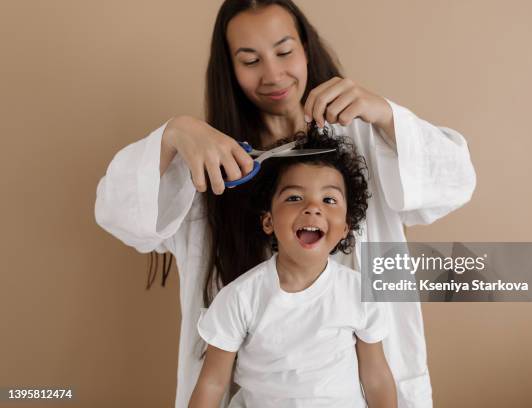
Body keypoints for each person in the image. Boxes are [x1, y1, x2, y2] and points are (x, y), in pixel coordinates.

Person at [94, 0, 477, 407]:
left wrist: (385, 115)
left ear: (306, 48)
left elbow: (455, 183)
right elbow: (119, 215)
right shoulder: (210, 163)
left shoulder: (364, 140)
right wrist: (174, 135)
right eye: (250, 59)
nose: (273, 74)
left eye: (284, 51)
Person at [189, 129, 397, 407]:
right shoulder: (240, 297)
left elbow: (376, 377)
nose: (313, 208)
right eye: (294, 198)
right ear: (269, 222)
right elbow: (212, 383)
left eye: (329, 200)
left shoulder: (359, 292)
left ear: (345, 228)